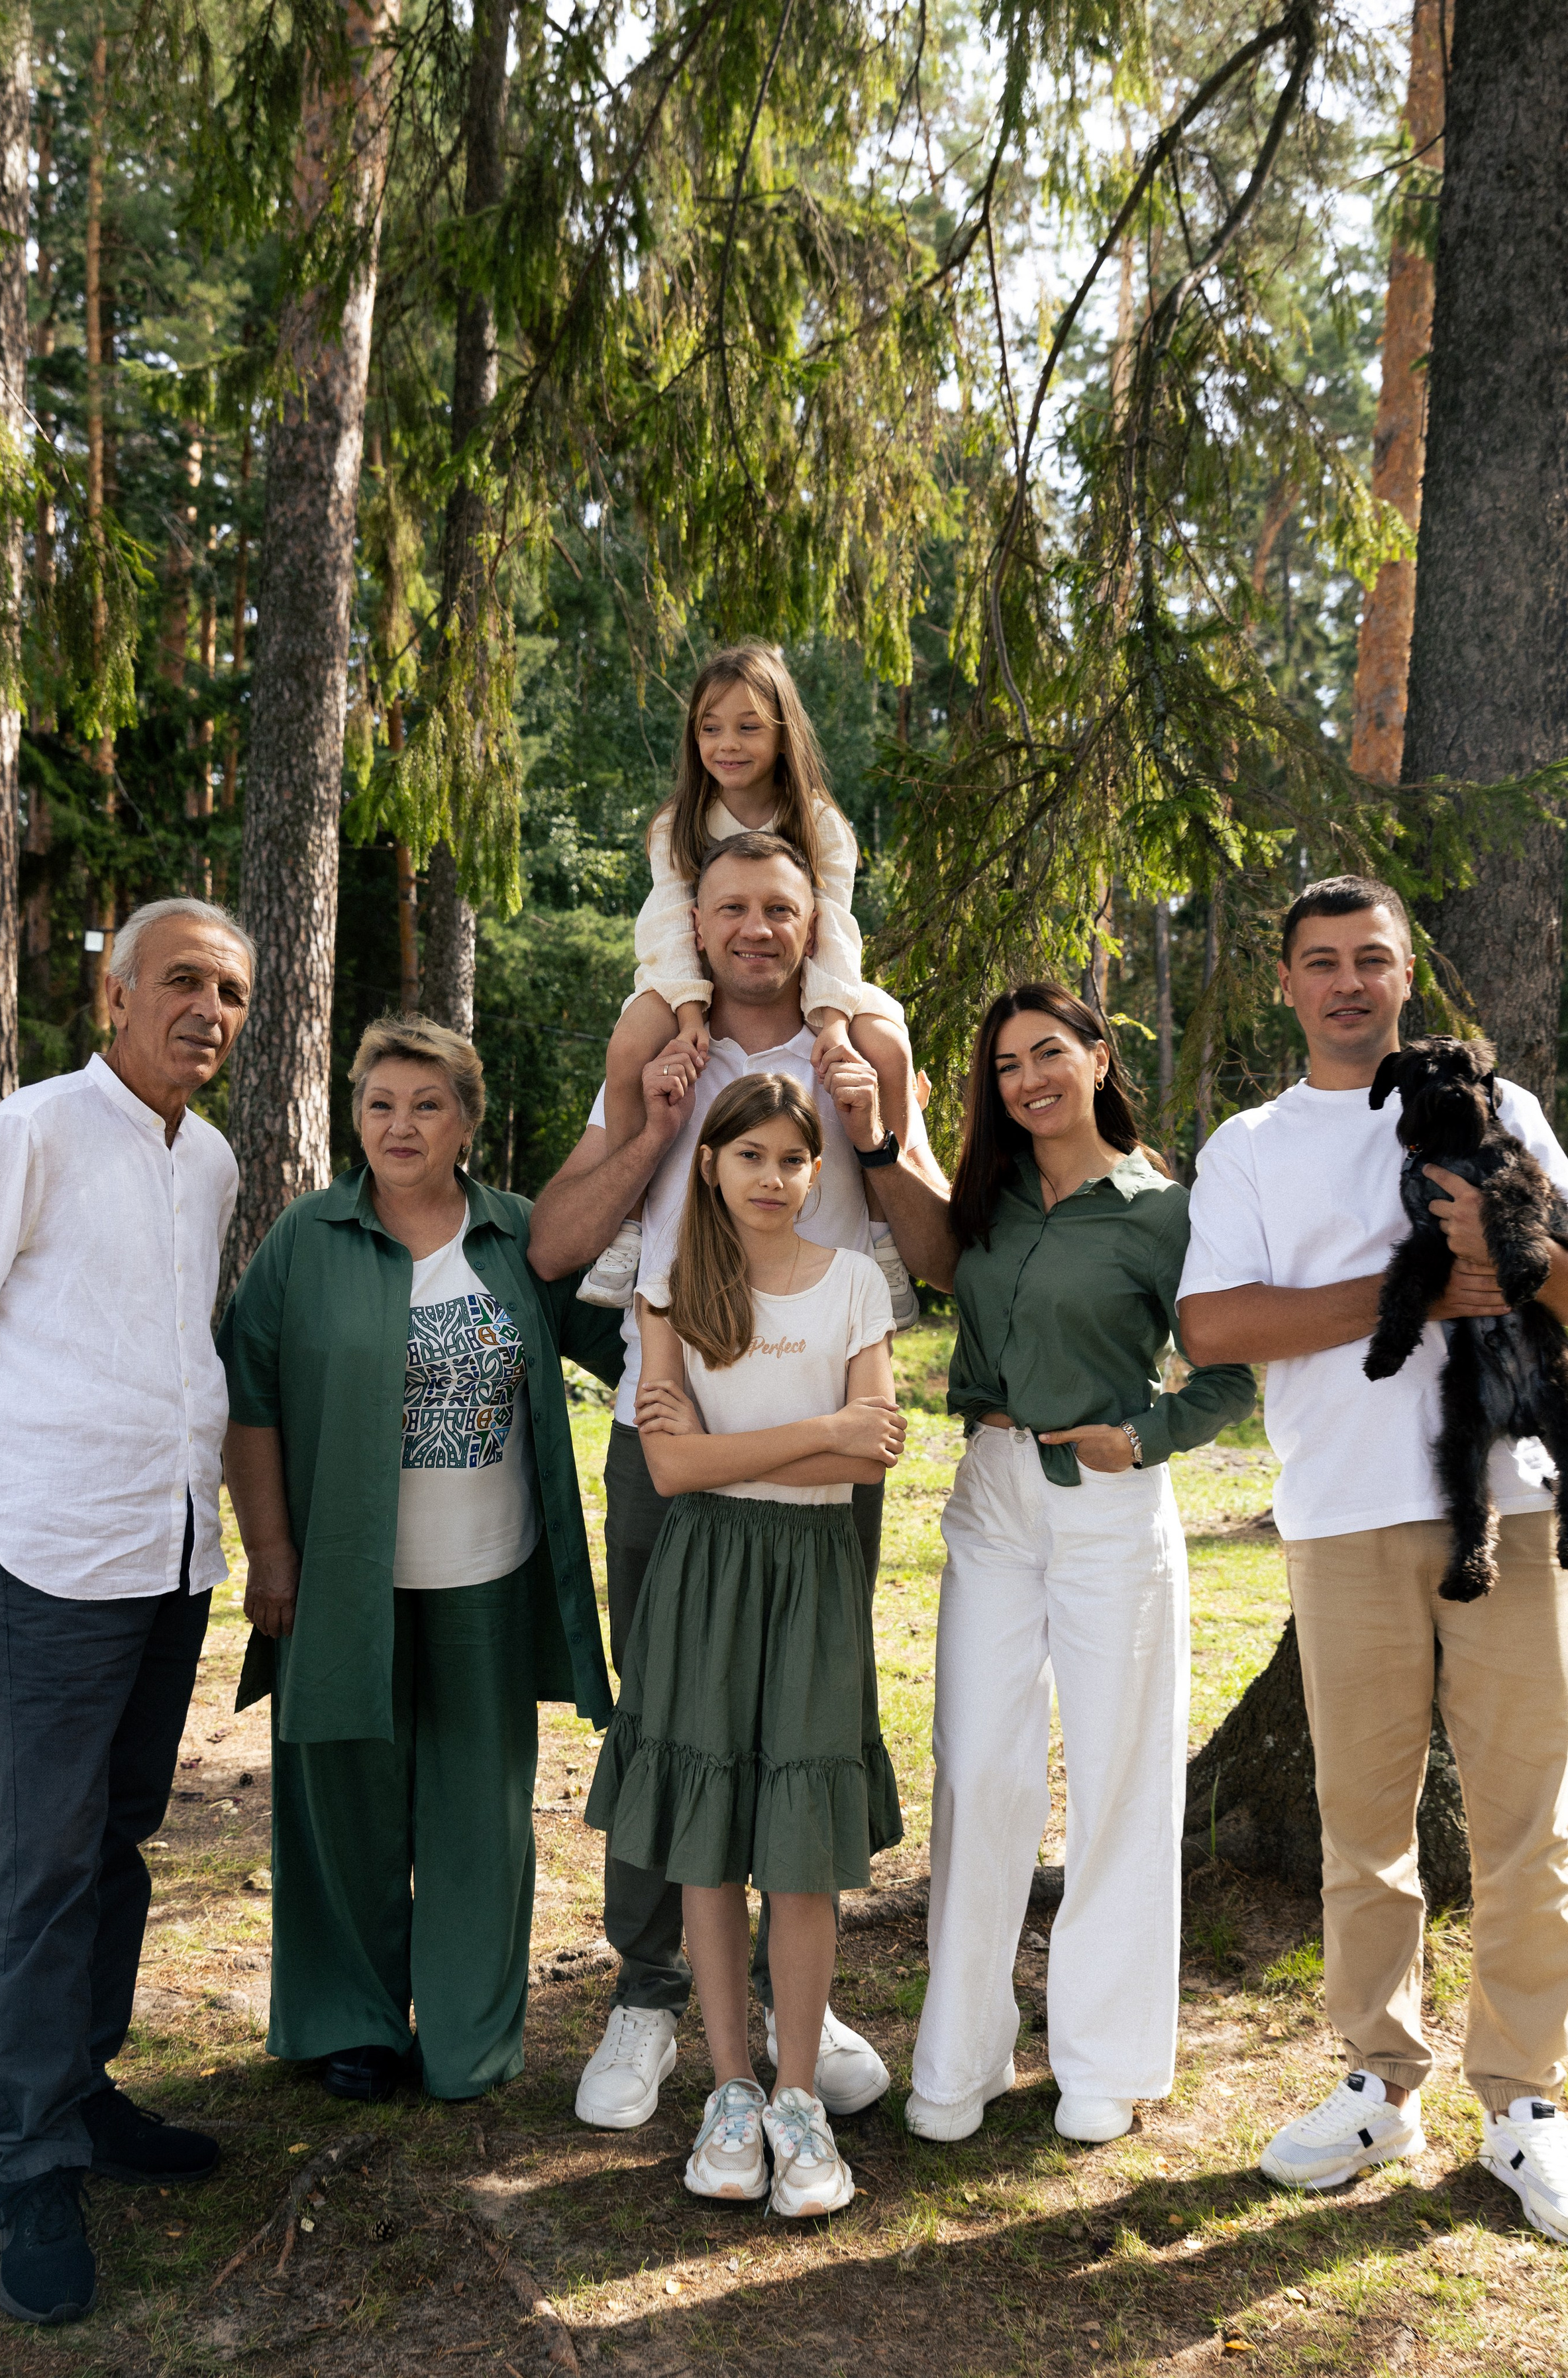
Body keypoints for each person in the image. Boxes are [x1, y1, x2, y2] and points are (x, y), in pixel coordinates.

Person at [1177, 876, 1568, 2247]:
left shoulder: (1497, 1110)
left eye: (1369, 959)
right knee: (1362, 1822)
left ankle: (1522, 2105)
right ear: (1285, 984)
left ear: (1399, 974)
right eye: (1318, 963)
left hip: (1511, 1502)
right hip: (1336, 1512)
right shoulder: (1250, 1143)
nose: (1346, 984)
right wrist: (1419, 1294)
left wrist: (1519, 1274)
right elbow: (1210, 1324)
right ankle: (1377, 2080)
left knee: (1520, 1815)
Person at [528, 829, 946, 2130]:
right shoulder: (658, 1041)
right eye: (730, 907)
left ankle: (790, 1998)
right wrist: (656, 1123)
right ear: (691, 920)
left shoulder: (861, 1044)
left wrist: (873, 1138)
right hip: (675, 1408)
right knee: (667, 1704)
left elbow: (933, 1243)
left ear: (816, 917)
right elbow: (553, 1237)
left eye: (780, 905)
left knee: (797, 1700)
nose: (756, 927)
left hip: (828, 1426)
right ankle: (651, 1987)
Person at [825, 984, 1254, 2143]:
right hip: (994, 1497)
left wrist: (1148, 1436)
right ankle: (960, 2061)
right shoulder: (995, 1198)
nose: (1029, 1079)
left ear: (1099, 1057)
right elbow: (933, 1258)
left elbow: (1228, 1371)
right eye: (1007, 1063)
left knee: (1119, 1775)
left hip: (1112, 1499)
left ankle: (1105, 2062)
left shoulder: (1165, 1210)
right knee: (979, 1771)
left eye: (1049, 1052)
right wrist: (876, 1134)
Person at [216, 1016, 626, 2108]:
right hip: (341, 1579)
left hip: (490, 1578)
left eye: (426, 1104)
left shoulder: (520, 1240)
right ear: (355, 1117)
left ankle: (468, 2035)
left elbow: (632, 1344)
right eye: (380, 1103)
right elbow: (248, 1401)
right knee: (342, 1802)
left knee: (480, 1814)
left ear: (466, 1123)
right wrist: (268, 1552)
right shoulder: (308, 1237)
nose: (399, 1125)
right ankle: (350, 2019)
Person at [0, 897, 254, 2326]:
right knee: (49, 1858)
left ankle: (83, 2087)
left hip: (167, 1551)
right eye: (184, 980)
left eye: (235, 991)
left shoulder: (212, 1161)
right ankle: (28, 2165)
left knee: (120, 1835)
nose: (212, 1007)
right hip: (48, 1554)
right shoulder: (30, 1133)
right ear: (115, 997)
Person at [584, 1072, 905, 2214]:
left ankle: (800, 2097)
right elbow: (671, 1469)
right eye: (749, 1155)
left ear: (817, 1173)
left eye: (791, 1159)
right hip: (705, 1574)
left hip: (815, 1574)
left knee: (802, 1843)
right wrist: (817, 1428)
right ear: (711, 1166)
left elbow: (876, 1460)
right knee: (710, 1834)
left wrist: (742, 1446)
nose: (772, 1177)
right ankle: (727, 2089)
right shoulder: (672, 1284)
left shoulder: (856, 1282)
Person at [576, 642, 919, 1327]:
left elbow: (836, 927)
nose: (726, 743)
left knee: (883, 1046)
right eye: (710, 726)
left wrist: (832, 1019)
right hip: (692, 977)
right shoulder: (678, 823)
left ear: (782, 732)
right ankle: (628, 1228)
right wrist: (686, 1011)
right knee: (626, 1043)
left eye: (747, 725)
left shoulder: (818, 823)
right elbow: (671, 925)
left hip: (815, 971)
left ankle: (885, 1240)